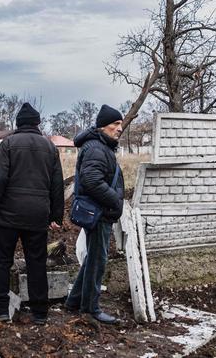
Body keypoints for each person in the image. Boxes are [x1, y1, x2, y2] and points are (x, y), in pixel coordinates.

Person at [0, 102, 64, 325]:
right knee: (36, 262)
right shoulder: (50, 148)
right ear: (37, 124)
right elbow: (57, 185)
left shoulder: (9, 143)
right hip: (38, 216)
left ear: (18, 124)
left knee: (1, 261)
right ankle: (40, 312)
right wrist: (56, 216)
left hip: (8, 215)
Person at [64, 104, 125, 326]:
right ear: (103, 126)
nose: (120, 128)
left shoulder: (100, 146)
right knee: (98, 260)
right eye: (115, 124)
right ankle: (91, 308)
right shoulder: (97, 148)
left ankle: (74, 301)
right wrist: (115, 200)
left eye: (121, 124)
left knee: (93, 258)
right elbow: (91, 181)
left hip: (100, 211)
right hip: (99, 213)